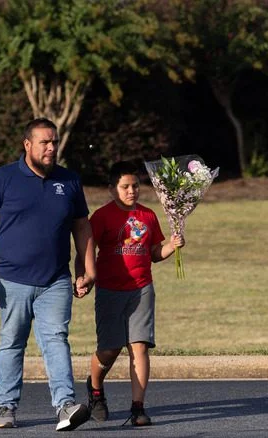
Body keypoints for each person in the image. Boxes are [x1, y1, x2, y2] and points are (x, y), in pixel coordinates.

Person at [0, 118, 95, 431]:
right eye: (44, 142)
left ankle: (65, 405)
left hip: (56, 280)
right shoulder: (3, 178)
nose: (51, 148)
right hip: (11, 279)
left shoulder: (69, 180)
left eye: (54, 142)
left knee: (56, 339)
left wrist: (87, 268)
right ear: (27, 145)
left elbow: (82, 227)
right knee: (12, 342)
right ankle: (6, 406)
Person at [86, 161, 185, 426]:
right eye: (125, 187)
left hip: (141, 289)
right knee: (109, 350)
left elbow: (154, 253)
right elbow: (87, 250)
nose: (132, 191)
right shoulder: (102, 216)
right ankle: (95, 389)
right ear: (112, 189)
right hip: (109, 290)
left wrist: (172, 246)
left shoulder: (148, 216)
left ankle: (138, 408)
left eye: (136, 186)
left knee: (139, 346)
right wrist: (84, 276)